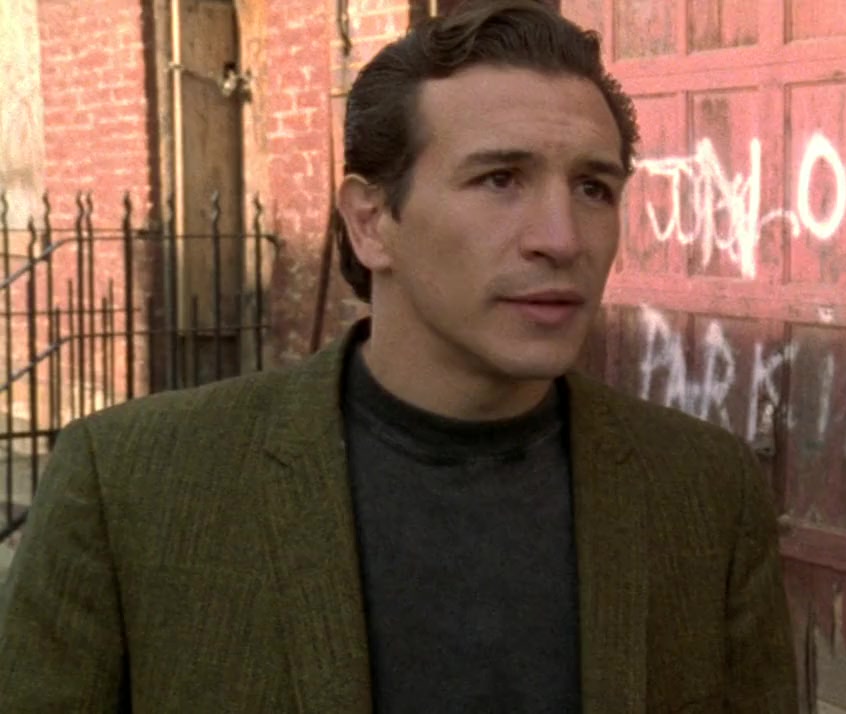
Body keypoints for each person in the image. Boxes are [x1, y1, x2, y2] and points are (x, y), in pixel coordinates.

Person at [0, 1, 796, 711]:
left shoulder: (704, 491)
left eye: (594, 188)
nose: (561, 239)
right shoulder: (133, 485)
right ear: (371, 222)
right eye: (500, 179)